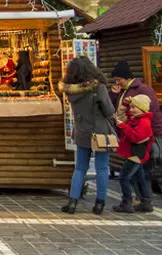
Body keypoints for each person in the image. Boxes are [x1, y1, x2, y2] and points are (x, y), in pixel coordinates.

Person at [59, 56, 115, 215]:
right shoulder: (98, 87)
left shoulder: (71, 90)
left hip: (82, 131)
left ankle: (72, 202)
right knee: (102, 168)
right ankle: (99, 204)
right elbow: (109, 111)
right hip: (100, 132)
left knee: (80, 168)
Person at [109, 60, 162, 198]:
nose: (117, 82)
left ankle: (140, 200)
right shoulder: (124, 91)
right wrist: (115, 95)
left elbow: (152, 114)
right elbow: (116, 108)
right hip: (132, 136)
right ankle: (143, 200)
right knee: (137, 172)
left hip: (142, 138)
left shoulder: (142, 90)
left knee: (137, 172)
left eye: (119, 79)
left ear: (127, 77)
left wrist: (154, 135)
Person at [112, 94, 154, 213]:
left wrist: (123, 126)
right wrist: (125, 104)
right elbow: (124, 115)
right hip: (136, 154)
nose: (131, 110)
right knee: (139, 176)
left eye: (134, 107)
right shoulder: (138, 118)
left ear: (142, 108)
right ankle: (146, 202)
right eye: (131, 107)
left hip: (135, 154)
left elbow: (135, 137)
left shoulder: (144, 122)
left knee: (124, 177)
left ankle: (127, 203)